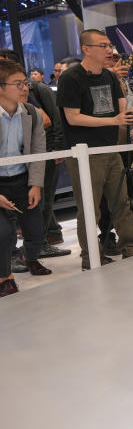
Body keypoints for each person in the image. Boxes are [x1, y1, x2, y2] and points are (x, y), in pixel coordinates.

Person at [56, 29, 133, 270]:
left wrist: (129, 113)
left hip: (110, 149)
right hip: (84, 153)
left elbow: (121, 108)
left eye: (109, 45)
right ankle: (90, 255)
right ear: (86, 49)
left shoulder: (110, 77)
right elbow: (73, 118)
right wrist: (113, 121)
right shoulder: (71, 78)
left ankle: (130, 248)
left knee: (122, 202)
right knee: (89, 208)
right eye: (102, 45)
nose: (109, 50)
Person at [0, 60, 52, 296]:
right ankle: (5, 276)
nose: (25, 88)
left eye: (25, 83)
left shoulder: (31, 112)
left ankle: (30, 258)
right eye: (18, 84)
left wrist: (36, 184)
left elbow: (39, 150)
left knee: (35, 229)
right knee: (4, 233)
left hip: (22, 178)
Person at [26, 66, 70, 257]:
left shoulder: (38, 89)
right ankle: (45, 238)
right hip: (28, 153)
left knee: (44, 197)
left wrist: (59, 146)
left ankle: (43, 240)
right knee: (36, 199)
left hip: (47, 149)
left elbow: (53, 118)